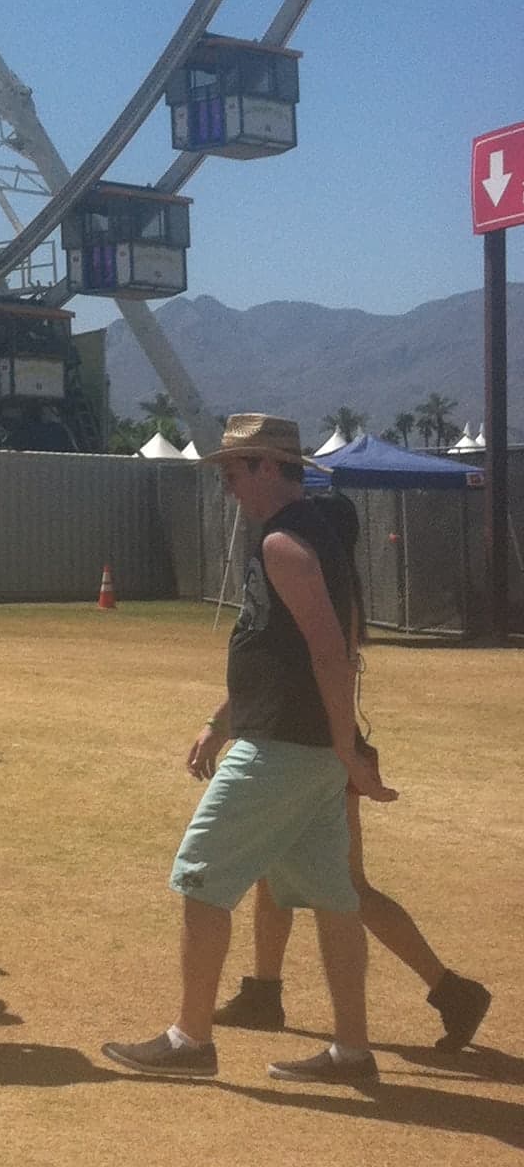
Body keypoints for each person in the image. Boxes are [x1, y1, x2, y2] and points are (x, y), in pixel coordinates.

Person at [104, 414, 396, 1087]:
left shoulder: (285, 543)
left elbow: (330, 652)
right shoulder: (308, 534)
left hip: (283, 749)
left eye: (234, 471)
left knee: (200, 874)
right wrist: (223, 719)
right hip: (304, 748)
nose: (228, 485)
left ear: (267, 467)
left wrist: (347, 746)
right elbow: (278, 650)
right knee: (334, 896)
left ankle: (190, 1039)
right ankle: (351, 1052)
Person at [206, 493, 490, 1051]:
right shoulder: (332, 589)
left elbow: (290, 672)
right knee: (275, 875)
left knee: (348, 889)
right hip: (307, 747)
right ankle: (263, 991)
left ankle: (452, 990)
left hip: (312, 751)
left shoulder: (317, 590)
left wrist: (340, 750)